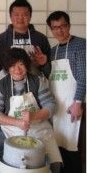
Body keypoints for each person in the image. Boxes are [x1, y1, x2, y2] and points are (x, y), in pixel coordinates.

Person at [0, 48, 62, 173]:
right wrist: (17, 123)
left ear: (26, 64)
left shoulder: (37, 81)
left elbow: (50, 106)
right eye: (12, 65)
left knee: (54, 162)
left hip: (38, 126)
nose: (17, 69)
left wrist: (34, 116)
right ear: (7, 68)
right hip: (9, 128)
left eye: (21, 64)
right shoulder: (1, 85)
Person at [47, 11, 86, 173]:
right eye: (55, 27)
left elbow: (84, 76)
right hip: (56, 105)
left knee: (72, 146)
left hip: (72, 104)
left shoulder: (81, 44)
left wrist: (77, 102)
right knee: (58, 145)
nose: (59, 31)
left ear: (69, 26)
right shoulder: (53, 50)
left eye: (62, 26)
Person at [0, 0, 51, 83]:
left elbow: (49, 70)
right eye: (16, 15)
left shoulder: (40, 38)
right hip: (8, 88)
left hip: (35, 87)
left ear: (30, 16)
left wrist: (43, 64)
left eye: (25, 15)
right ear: (10, 16)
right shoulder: (2, 39)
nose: (20, 18)